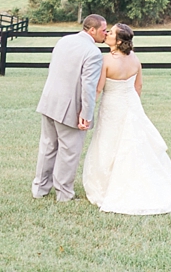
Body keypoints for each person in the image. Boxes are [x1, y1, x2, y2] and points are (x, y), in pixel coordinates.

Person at [82, 23, 171, 215]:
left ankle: (108, 186)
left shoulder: (106, 60)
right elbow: (138, 87)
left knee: (109, 143)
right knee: (135, 144)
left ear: (118, 41)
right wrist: (134, 109)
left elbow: (98, 89)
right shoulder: (135, 59)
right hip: (131, 106)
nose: (107, 34)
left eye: (111, 33)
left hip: (112, 107)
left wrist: (86, 111)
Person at [32, 14, 107, 202]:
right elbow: (88, 86)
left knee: (48, 146)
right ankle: (64, 193)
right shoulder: (93, 53)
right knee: (69, 151)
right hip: (69, 107)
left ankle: (39, 189)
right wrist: (86, 114)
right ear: (92, 30)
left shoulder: (64, 41)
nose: (105, 34)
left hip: (49, 101)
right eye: (103, 30)